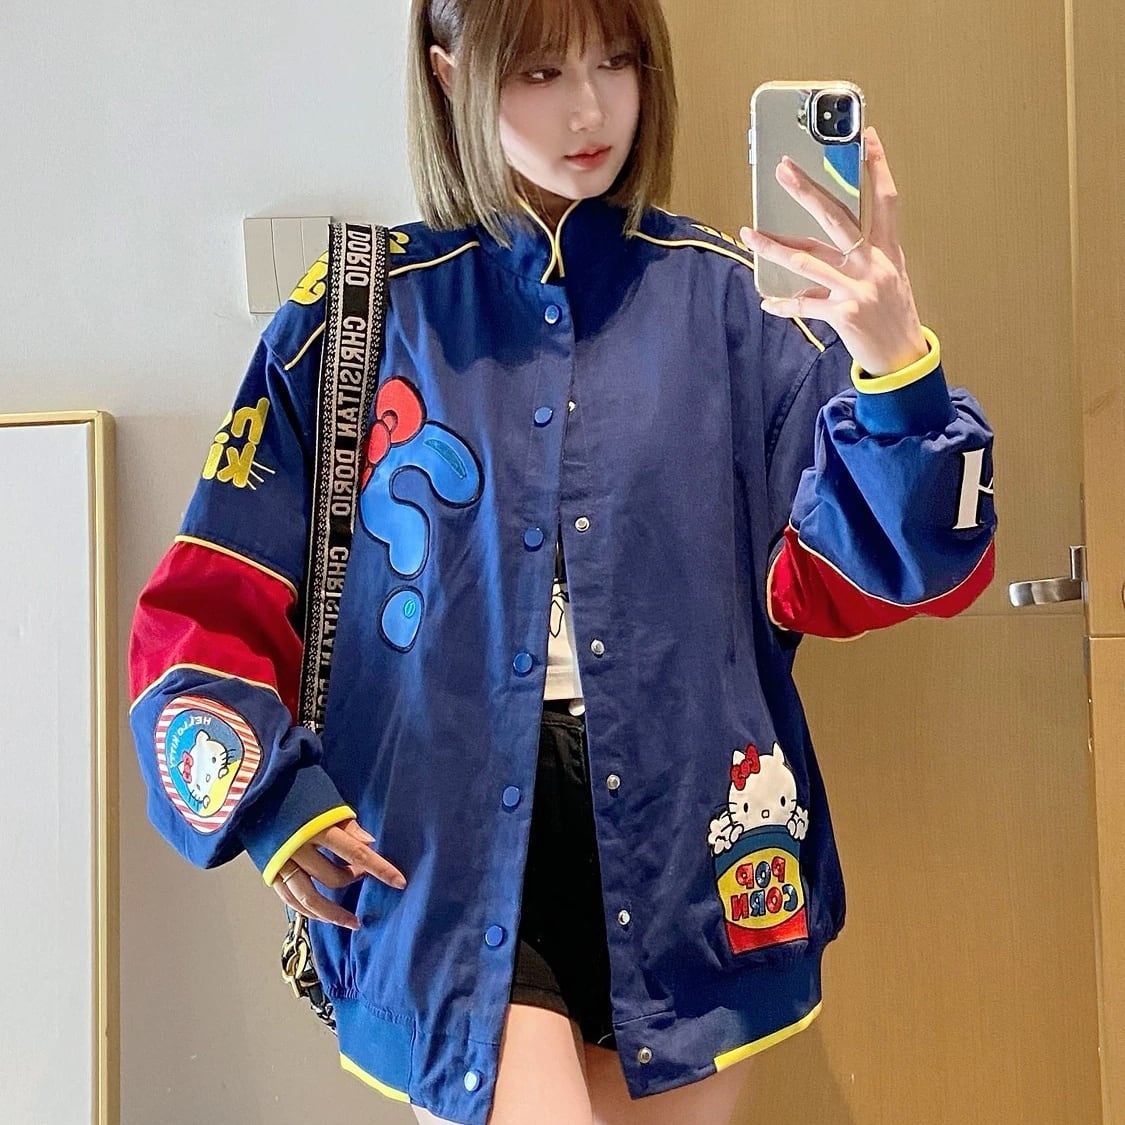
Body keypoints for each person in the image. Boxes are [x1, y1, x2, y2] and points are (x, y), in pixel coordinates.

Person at [127, 0, 997, 1122]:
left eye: (615, 62)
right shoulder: (354, 318)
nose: (590, 110)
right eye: (539, 72)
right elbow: (204, 606)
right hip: (441, 838)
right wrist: (263, 800)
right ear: (450, 75)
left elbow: (896, 566)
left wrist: (894, 363)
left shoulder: (736, 307)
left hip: (695, 838)